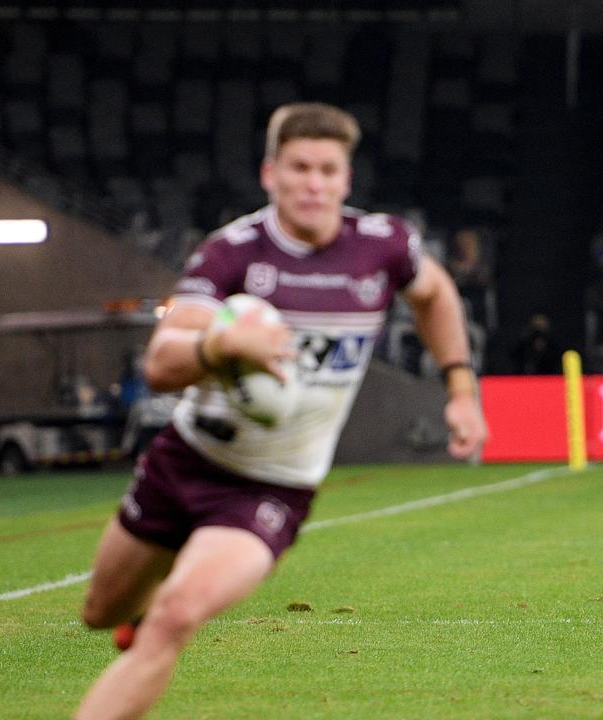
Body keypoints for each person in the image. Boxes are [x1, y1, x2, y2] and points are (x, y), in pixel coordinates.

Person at [74, 103, 487, 720]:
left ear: (347, 180)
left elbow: (435, 293)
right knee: (99, 613)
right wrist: (222, 344)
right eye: (299, 168)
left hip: (271, 487)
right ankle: (133, 606)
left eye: (327, 170)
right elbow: (160, 363)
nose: (313, 184)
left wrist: (460, 390)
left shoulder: (383, 246)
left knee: (175, 616)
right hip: (184, 461)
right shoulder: (232, 254)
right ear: (271, 174)